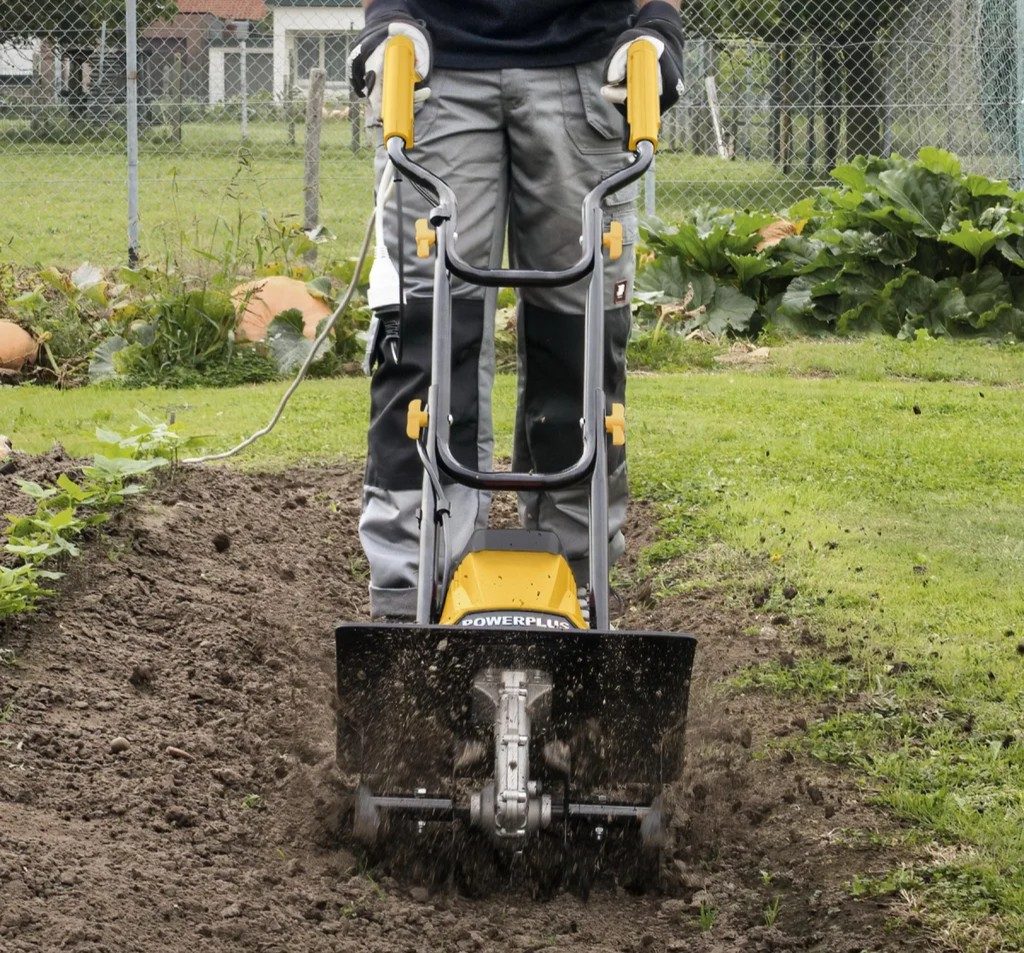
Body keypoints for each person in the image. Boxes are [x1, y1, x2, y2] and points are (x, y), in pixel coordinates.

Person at [351, 0, 684, 620]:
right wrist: (386, 21)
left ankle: (581, 581)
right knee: (425, 333)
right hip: (435, 67)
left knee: (579, 333)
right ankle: (407, 596)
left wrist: (659, 25)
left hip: (589, 71)